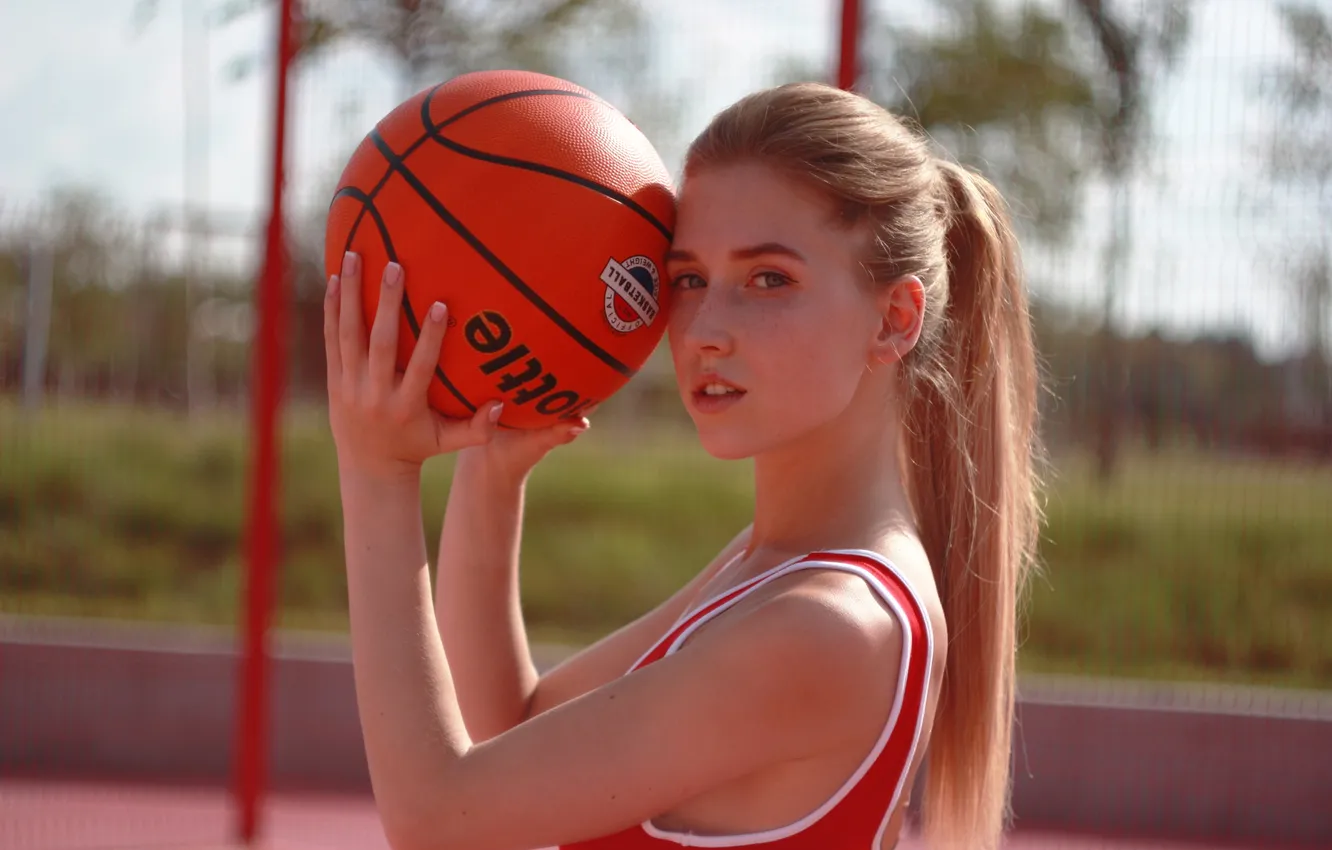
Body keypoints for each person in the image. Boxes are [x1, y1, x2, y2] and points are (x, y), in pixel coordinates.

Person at [323, 82, 1042, 850]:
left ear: (894, 318)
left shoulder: (826, 626)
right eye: (688, 279)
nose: (703, 328)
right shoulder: (775, 565)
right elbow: (510, 727)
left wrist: (377, 476)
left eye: (769, 279)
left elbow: (437, 823)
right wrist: (492, 476)